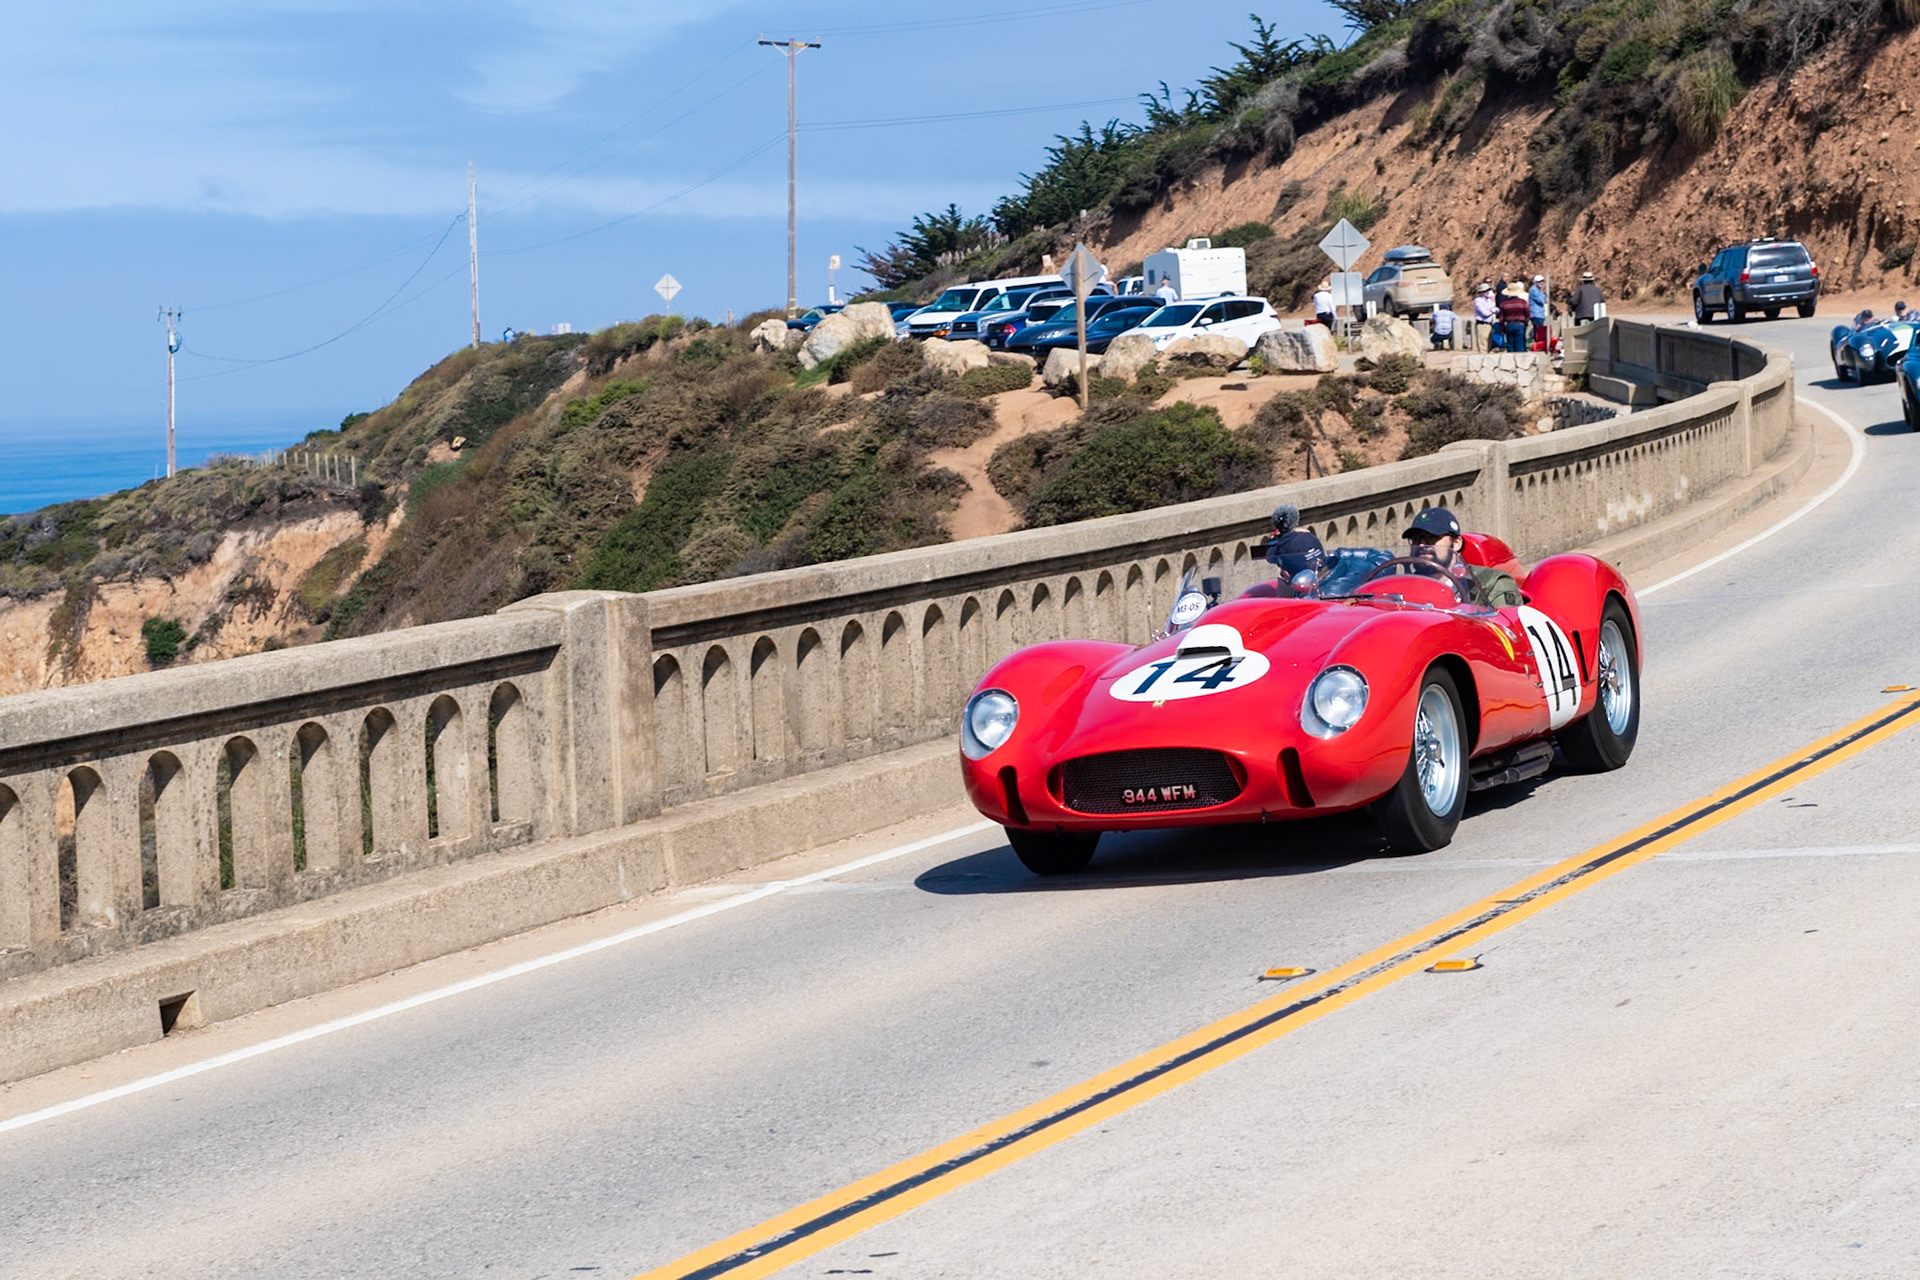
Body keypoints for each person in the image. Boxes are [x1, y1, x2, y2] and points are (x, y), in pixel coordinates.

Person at [1403, 508, 1523, 608]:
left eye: (1432, 537)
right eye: (1415, 539)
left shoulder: (1491, 583)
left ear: (1456, 543)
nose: (1422, 545)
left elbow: (1505, 628)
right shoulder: (1404, 585)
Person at [1265, 503, 1327, 579]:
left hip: (1301, 582)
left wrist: (1273, 539)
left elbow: (1269, 557)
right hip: (1321, 577)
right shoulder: (1310, 536)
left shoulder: (1285, 543)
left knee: (1282, 576)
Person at [1497, 284, 1531, 355]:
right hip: (1520, 324)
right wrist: (1525, 324)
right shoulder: (1523, 302)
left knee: (1510, 346)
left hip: (1509, 325)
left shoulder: (1504, 304)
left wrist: (1502, 329)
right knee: (1520, 346)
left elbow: (1501, 318)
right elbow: (1528, 314)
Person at [1472, 283, 1499, 350]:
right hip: (1482, 324)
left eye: (1488, 290)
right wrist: (1492, 310)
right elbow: (1485, 313)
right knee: (1483, 345)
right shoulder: (1478, 301)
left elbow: (1497, 309)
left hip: (1489, 324)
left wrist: (1491, 310)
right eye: (1485, 290)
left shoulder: (1489, 300)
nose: (1487, 292)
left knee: (1489, 345)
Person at [1528, 274, 1549, 348]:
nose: (1541, 283)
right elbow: (1542, 300)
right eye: (1539, 282)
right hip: (1536, 314)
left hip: (1539, 314)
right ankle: (1537, 345)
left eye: (1542, 282)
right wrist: (1544, 296)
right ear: (1535, 282)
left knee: (1539, 331)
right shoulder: (1534, 290)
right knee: (1538, 331)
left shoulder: (1538, 290)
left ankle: (1539, 345)